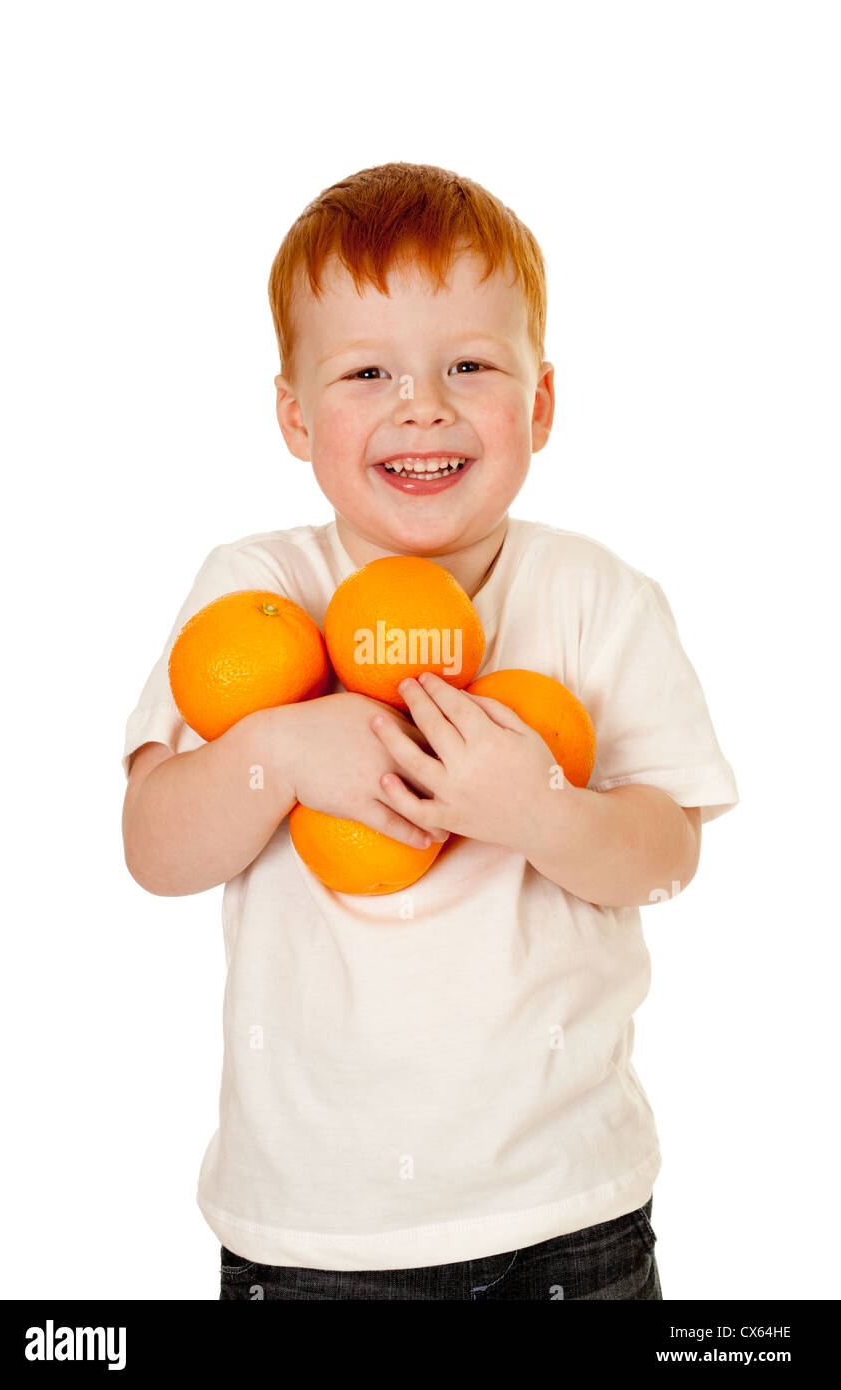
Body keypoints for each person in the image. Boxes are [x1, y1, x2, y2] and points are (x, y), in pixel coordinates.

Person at [121, 162, 739, 1301]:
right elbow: (156, 849)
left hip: (571, 1214)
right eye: (368, 372)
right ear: (295, 415)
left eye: (469, 365)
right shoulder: (254, 591)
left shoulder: (596, 597)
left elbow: (666, 854)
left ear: (540, 403)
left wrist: (539, 811)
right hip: (316, 1239)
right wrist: (281, 750)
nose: (423, 405)